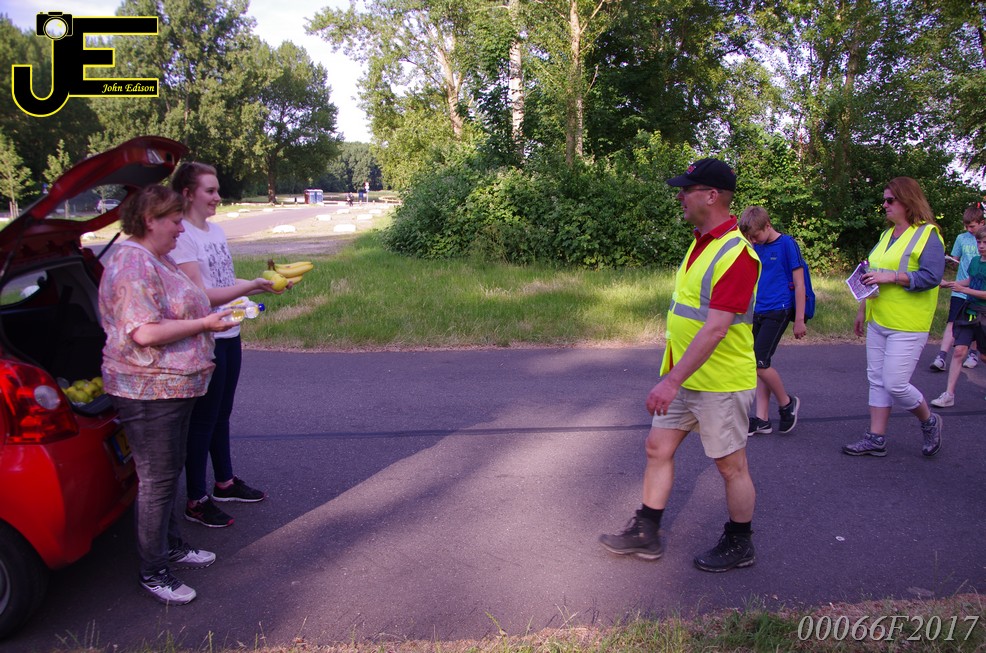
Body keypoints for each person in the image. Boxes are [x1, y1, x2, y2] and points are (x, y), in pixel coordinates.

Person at [599, 158, 762, 572]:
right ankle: (646, 531)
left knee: (730, 466)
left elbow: (716, 328)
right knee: (657, 448)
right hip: (685, 375)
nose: (680, 196)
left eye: (687, 190)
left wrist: (670, 382)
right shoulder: (700, 242)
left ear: (712, 196)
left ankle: (740, 542)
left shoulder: (738, 255)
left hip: (720, 381)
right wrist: (674, 378)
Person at [99, 184, 234, 604]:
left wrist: (215, 312)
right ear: (149, 220)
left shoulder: (158, 257)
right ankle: (154, 571)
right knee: (157, 481)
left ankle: (170, 546)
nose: (180, 229)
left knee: (167, 473)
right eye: (175, 221)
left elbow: (185, 301)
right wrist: (205, 325)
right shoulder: (132, 264)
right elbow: (143, 332)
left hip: (172, 387)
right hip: (147, 389)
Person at [170, 162, 280, 528]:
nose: (218, 196)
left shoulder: (214, 230)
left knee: (222, 413)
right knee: (203, 420)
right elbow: (200, 293)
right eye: (210, 190)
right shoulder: (181, 234)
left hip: (230, 331)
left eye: (217, 190)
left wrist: (261, 284)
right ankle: (195, 499)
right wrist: (252, 286)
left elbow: (223, 280)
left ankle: (225, 483)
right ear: (188, 193)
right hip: (205, 336)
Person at [842, 177, 945, 458]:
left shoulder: (928, 234)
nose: (885, 205)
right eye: (884, 200)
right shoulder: (887, 235)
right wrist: (862, 309)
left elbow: (931, 277)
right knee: (877, 380)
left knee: (895, 383)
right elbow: (871, 274)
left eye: (890, 200)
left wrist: (892, 277)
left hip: (908, 323)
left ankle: (929, 420)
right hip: (879, 319)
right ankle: (876, 438)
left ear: (907, 200)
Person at [738, 206, 806, 435]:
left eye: (755, 236)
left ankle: (787, 403)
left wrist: (799, 319)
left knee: (759, 362)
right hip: (758, 310)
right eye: (750, 238)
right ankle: (762, 419)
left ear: (767, 225)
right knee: (758, 364)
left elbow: (800, 284)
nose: (753, 241)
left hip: (779, 309)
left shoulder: (787, 244)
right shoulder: (756, 246)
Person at [929, 225, 986, 407]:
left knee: (984, 357)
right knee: (960, 351)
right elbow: (971, 280)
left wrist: (964, 290)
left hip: (984, 314)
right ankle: (949, 395)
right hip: (969, 312)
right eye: (979, 242)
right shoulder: (975, 261)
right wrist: (950, 284)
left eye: (985, 242)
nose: (981, 246)